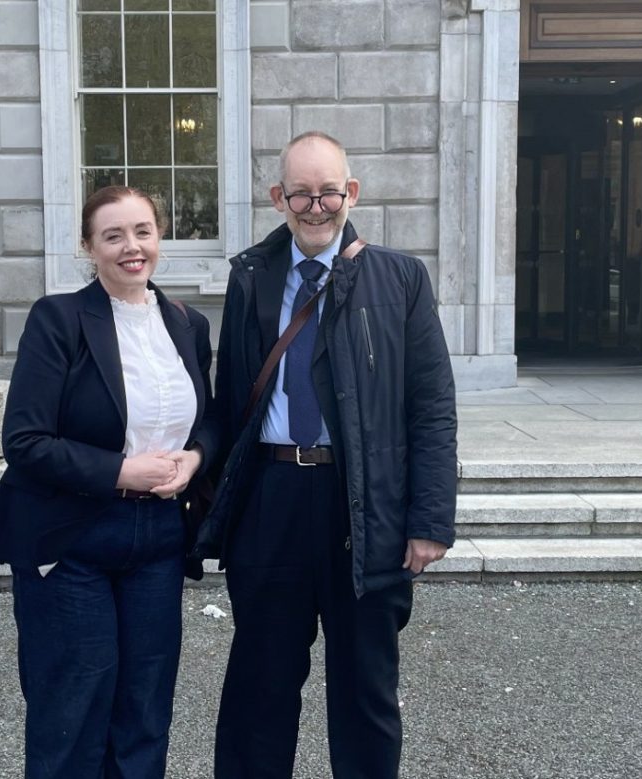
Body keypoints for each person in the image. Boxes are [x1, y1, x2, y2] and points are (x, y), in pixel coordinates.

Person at [195, 131, 458, 779]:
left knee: (365, 690)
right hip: (273, 502)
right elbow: (233, 400)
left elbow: (432, 406)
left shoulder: (401, 278)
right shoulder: (250, 275)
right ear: (277, 196)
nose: (317, 207)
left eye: (329, 192)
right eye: (302, 194)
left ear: (352, 193)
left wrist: (429, 520)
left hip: (363, 505)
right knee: (260, 687)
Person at [0, 185, 217, 779]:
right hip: (72, 537)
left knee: (145, 705)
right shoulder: (59, 319)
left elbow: (209, 415)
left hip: (157, 538)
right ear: (88, 247)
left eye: (142, 231)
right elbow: (25, 442)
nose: (131, 247)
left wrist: (197, 458)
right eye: (113, 236)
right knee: (73, 705)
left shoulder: (189, 323)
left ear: (159, 238)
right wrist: (120, 470)